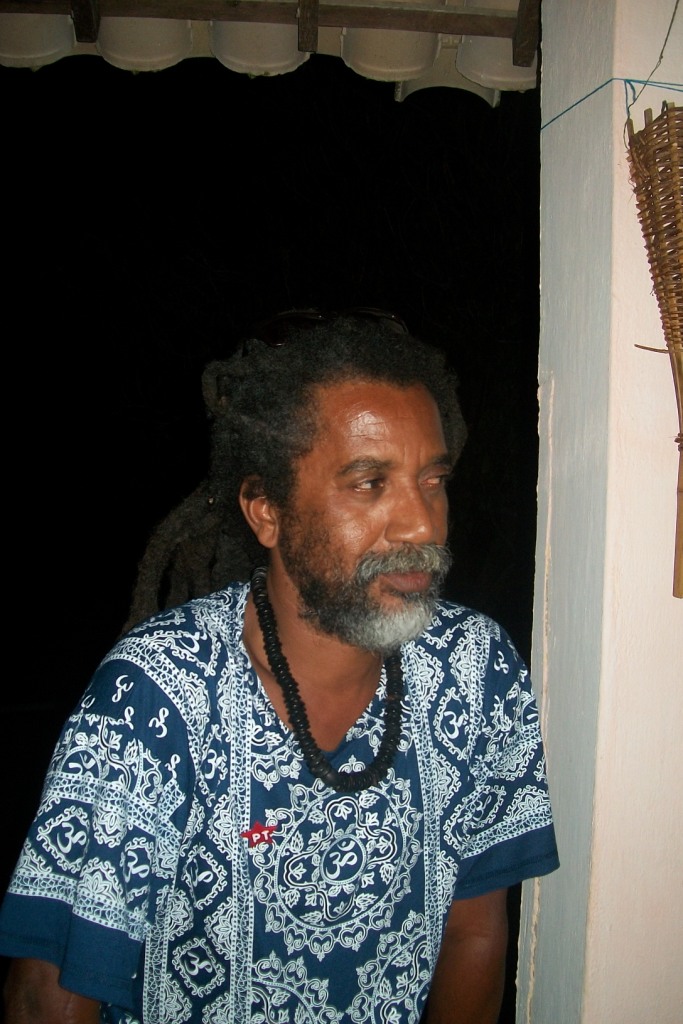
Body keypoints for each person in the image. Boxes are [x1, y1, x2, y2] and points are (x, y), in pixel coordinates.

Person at [0, 311, 559, 1024]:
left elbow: (474, 930)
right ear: (266, 510)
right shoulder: (156, 696)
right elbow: (51, 992)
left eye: (433, 479)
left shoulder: (475, 670)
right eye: (369, 483)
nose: (422, 524)